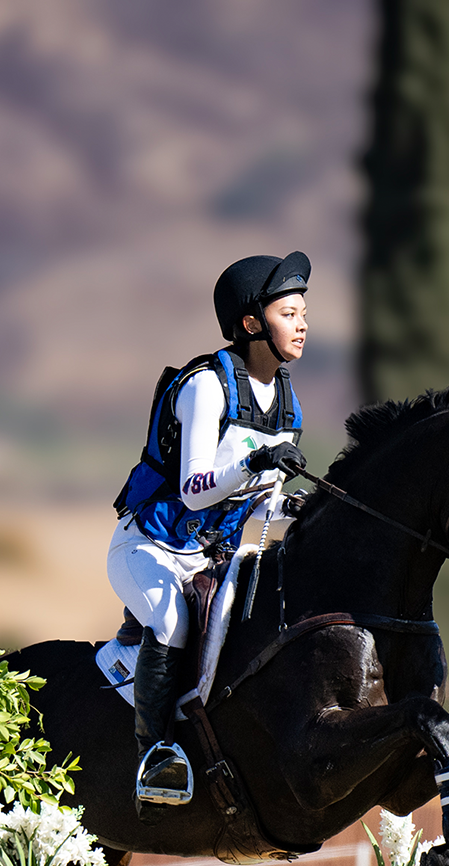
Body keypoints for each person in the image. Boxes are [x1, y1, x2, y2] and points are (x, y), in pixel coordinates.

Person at [109, 252, 311, 809]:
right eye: (289, 312)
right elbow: (198, 487)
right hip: (147, 545)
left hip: (208, 558)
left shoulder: (287, 403)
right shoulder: (206, 384)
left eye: (302, 312)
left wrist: (304, 508)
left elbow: (259, 505)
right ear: (251, 325)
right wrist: (258, 461)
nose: (302, 322)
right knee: (172, 621)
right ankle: (154, 754)